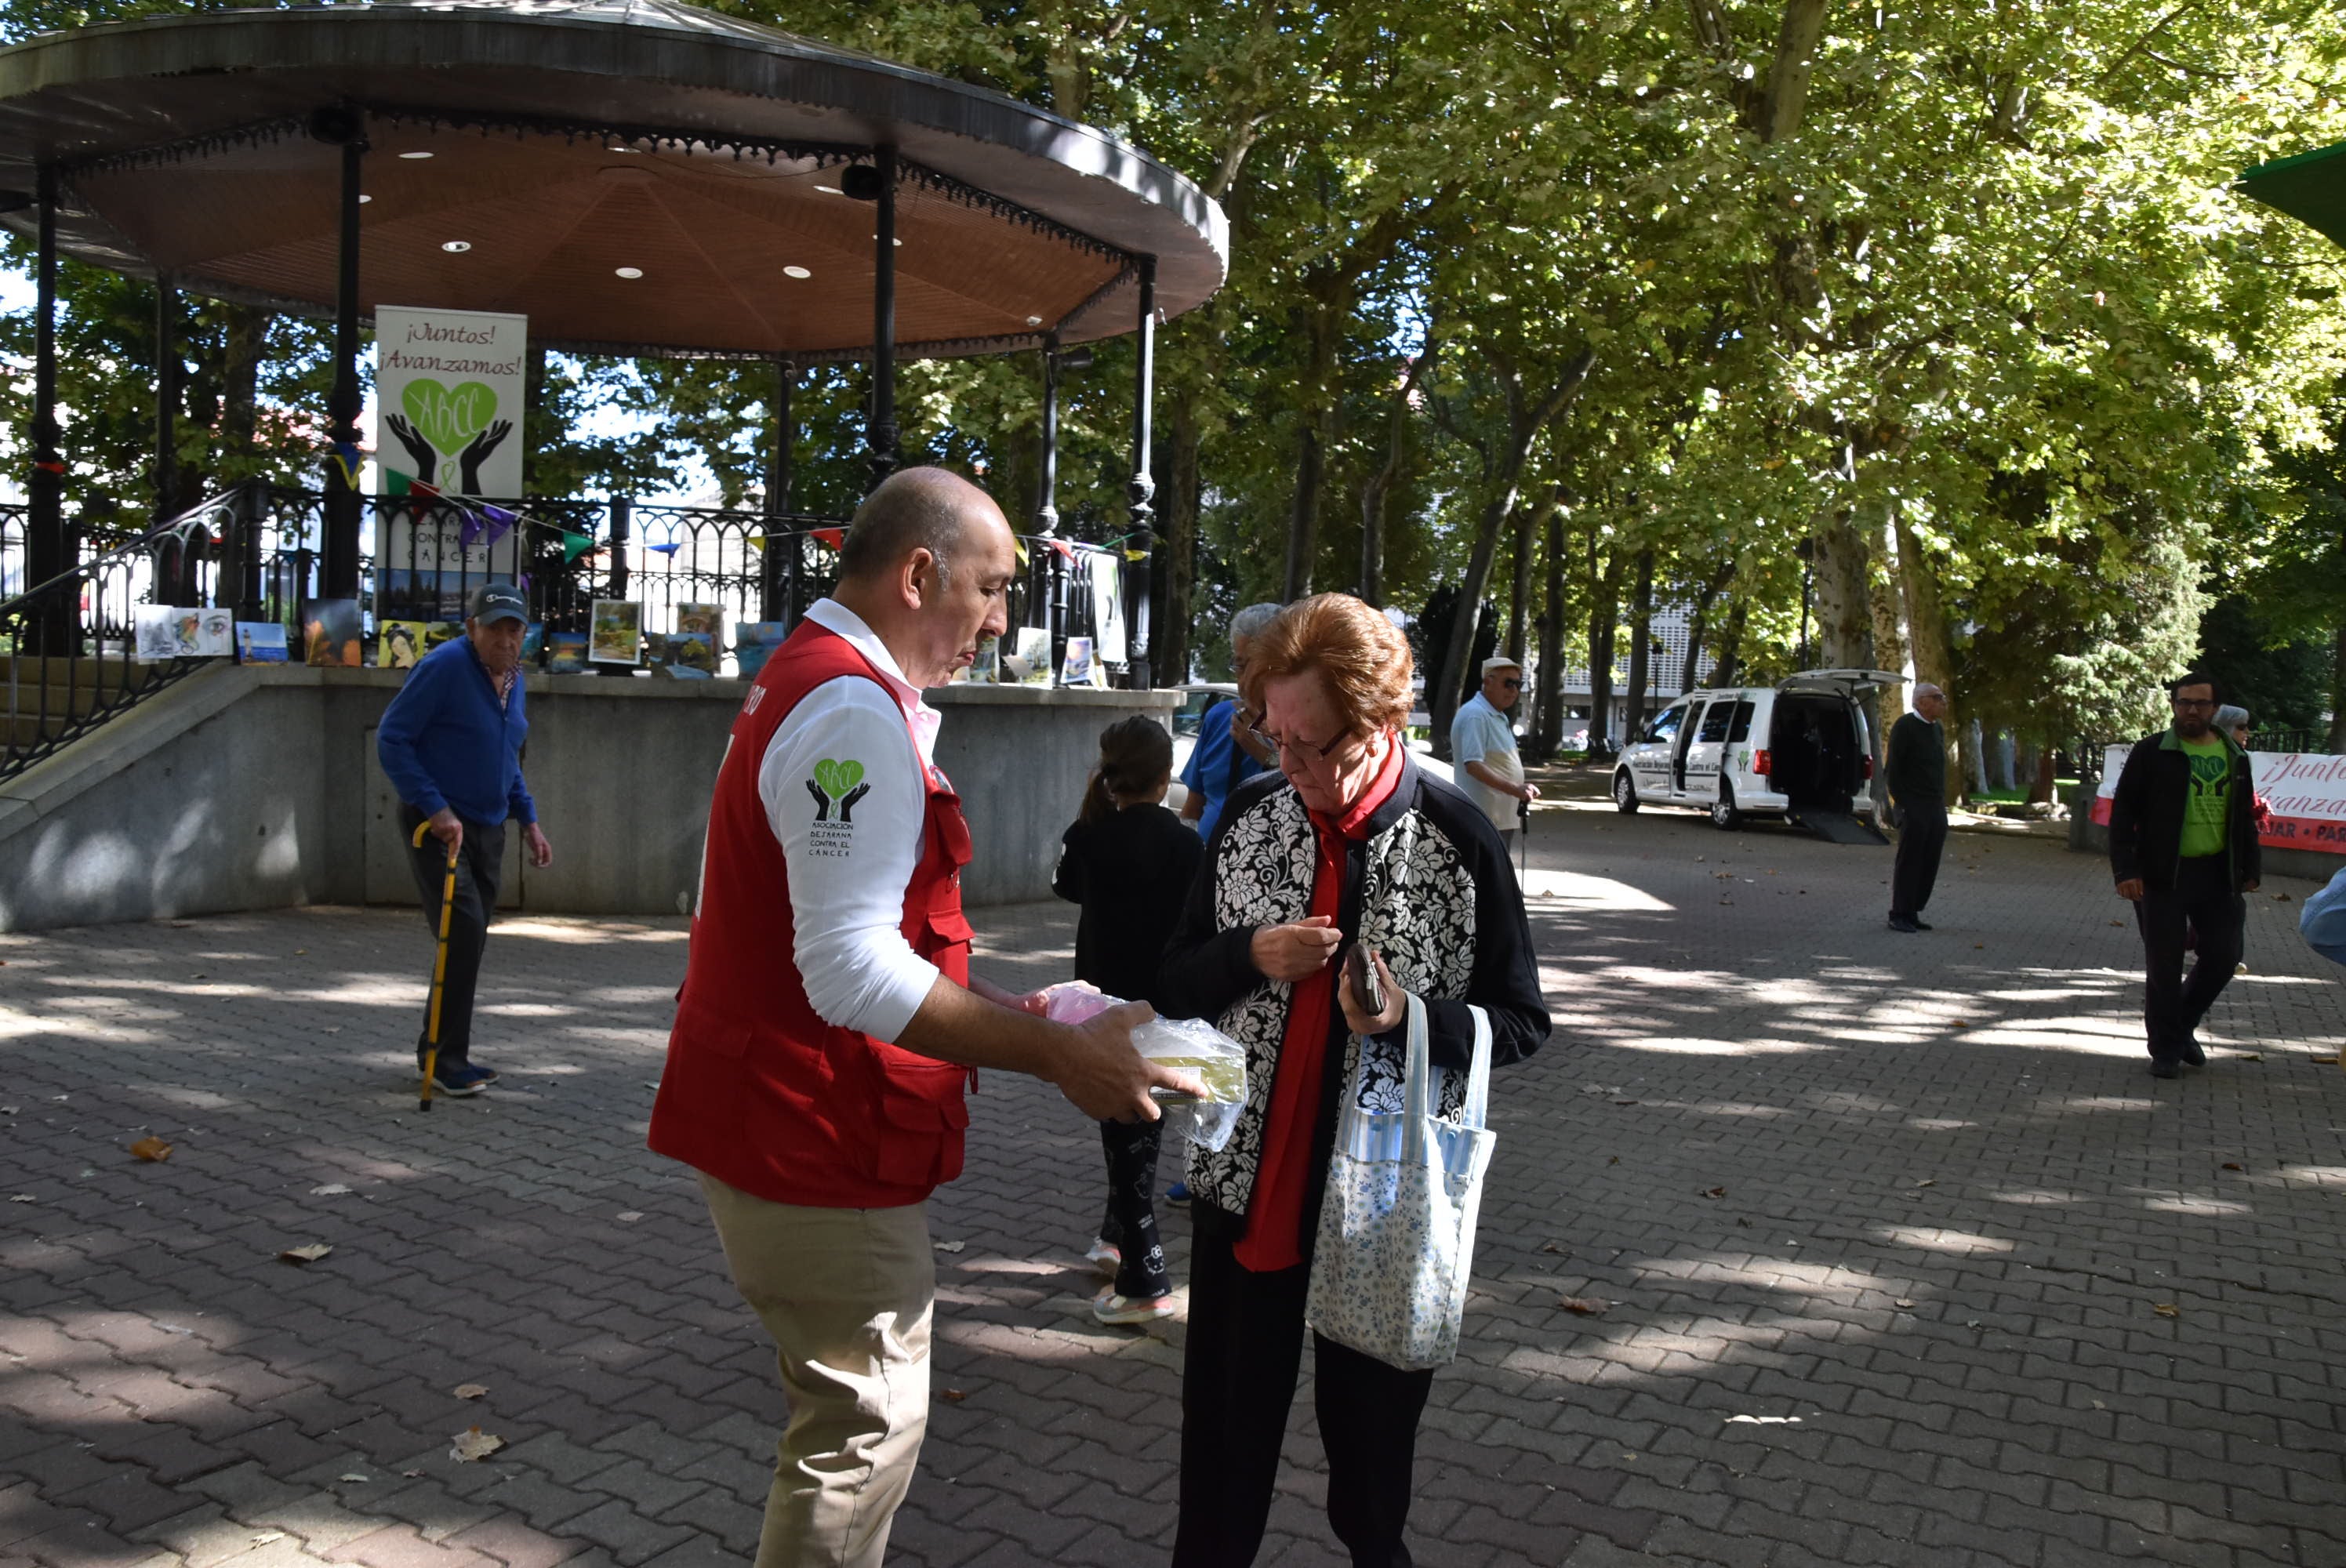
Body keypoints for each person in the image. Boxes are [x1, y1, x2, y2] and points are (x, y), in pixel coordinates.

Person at [646, 467, 1197, 1568]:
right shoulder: (850, 703)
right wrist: (1053, 1052)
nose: (999, 623)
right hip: (810, 1137)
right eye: (990, 590)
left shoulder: (815, 682)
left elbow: (851, 943)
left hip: (786, 1123)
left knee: (848, 1420)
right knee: (862, 1429)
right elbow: (848, 970)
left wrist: (1021, 1009)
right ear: (917, 572)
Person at [1157, 593, 1549, 1568]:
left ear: (1383, 724)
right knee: (1218, 1471)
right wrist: (1249, 952)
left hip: (1379, 1217)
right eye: (1273, 738)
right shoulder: (1250, 819)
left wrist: (1409, 1018)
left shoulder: (1460, 843)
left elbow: (1523, 1023)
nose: (1290, 768)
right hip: (1244, 1199)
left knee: (1371, 1488)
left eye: (1313, 746)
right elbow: (1171, 978)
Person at [1053, 716, 1204, 1327]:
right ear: (1167, 776)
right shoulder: (1188, 844)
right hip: (1161, 1001)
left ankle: (1145, 1277)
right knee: (1135, 1127)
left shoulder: (1088, 836)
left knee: (1126, 1128)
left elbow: (1069, 889)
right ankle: (1118, 1237)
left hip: (1101, 1005)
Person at [375, 582, 554, 1097]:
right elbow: (393, 738)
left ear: (525, 635)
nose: (504, 638)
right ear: (471, 628)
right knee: (465, 932)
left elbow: (505, 755)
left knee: (465, 941)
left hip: (488, 826)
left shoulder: (514, 678)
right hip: (437, 827)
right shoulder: (445, 668)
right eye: (493, 627)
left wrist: (530, 821)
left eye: (513, 629)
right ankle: (443, 1059)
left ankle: (441, 1052)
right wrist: (436, 807)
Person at [2108, 672, 2261, 1080]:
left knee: (2224, 957)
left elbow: (2243, 817)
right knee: (2164, 963)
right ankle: (2165, 1049)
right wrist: (2126, 870)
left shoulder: (2235, 756)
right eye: (2183, 702)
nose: (2191, 710)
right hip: (2162, 875)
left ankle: (2181, 1025)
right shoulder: (2152, 752)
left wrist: (2251, 867)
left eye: (2200, 704)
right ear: (2174, 705)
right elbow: (2123, 814)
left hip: (2219, 873)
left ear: (2214, 709)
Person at [1179, 602, 1282, 838]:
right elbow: (1193, 807)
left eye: (1257, 667)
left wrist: (1269, 756)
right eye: (1239, 665)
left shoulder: (1299, 725)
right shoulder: (1218, 718)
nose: (1245, 682)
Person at [1451, 654, 1540, 854]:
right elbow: (1473, 765)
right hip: (1484, 816)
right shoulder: (1476, 715)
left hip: (1498, 817)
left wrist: (1520, 788)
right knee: (1486, 878)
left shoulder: (1494, 714)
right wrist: (1515, 789)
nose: (1514, 690)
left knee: (1495, 877)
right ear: (1488, 682)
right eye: (1509, 683)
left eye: (1518, 684)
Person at [1885, 683, 1949, 933]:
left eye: (1942, 697)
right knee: (1910, 860)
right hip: (1914, 804)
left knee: (1929, 858)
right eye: (1937, 697)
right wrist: (1905, 803)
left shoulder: (1937, 729)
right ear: (1921, 701)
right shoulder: (1905, 726)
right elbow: (1894, 770)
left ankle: (1913, 911)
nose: (1943, 702)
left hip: (1935, 803)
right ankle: (1898, 913)